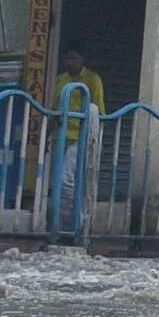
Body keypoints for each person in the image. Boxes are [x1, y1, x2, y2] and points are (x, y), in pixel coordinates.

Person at [53, 40, 108, 221]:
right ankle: (63, 222)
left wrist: (94, 139)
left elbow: (98, 111)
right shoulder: (61, 79)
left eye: (73, 58)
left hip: (80, 137)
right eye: (66, 59)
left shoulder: (93, 79)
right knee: (58, 182)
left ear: (82, 59)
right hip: (61, 135)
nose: (69, 62)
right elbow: (55, 109)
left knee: (66, 180)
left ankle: (79, 218)